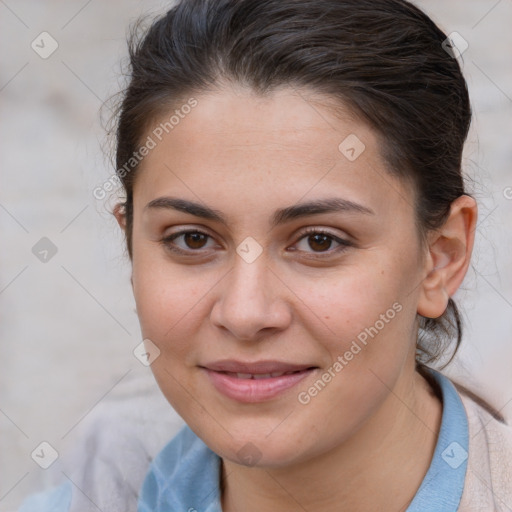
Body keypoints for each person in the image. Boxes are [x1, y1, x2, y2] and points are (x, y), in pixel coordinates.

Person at [17, 0, 512, 510]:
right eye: (191, 239)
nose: (245, 313)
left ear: (440, 258)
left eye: (320, 241)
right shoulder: (99, 478)